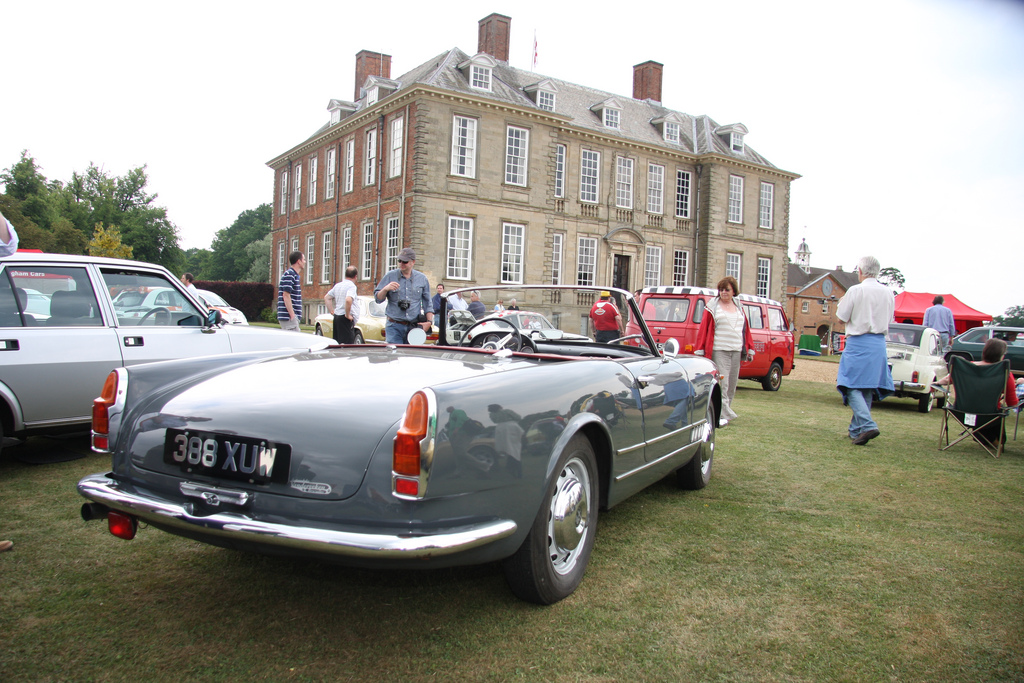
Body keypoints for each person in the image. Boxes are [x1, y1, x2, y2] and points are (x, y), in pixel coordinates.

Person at [835, 256, 895, 445]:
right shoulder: (888, 292)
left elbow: (841, 317)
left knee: (850, 384)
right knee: (866, 387)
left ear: (860, 271)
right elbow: (890, 319)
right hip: (878, 343)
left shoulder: (855, 290)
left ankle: (867, 425)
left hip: (858, 341)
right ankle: (856, 431)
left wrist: (841, 303)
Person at [694, 277, 755, 427]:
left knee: (732, 384)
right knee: (724, 383)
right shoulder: (712, 307)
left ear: (734, 290)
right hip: (719, 349)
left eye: (727, 289)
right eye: (721, 290)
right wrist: (700, 349)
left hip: (736, 350)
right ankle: (723, 415)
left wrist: (749, 348)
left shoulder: (739, 307)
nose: (723, 292)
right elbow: (704, 328)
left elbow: (745, 329)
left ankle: (723, 412)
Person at [374, 247, 433, 344]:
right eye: (399, 261)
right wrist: (385, 289)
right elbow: (378, 299)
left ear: (413, 262)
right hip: (394, 326)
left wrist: (429, 322)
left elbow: (428, 303)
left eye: (405, 262)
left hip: (413, 327)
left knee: (412, 353)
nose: (401, 263)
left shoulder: (422, 278)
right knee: (395, 353)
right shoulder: (390, 276)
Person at [325, 265, 359, 344]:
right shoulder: (351, 286)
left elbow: (327, 297)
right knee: (347, 345)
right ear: (355, 276)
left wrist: (332, 311)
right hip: (345, 318)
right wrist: (347, 315)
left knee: (338, 343)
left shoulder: (338, 285)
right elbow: (348, 300)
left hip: (337, 317)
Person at [276, 251, 305, 331]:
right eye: (303, 260)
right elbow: (286, 295)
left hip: (290, 317)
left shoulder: (293, 275)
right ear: (299, 261)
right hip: (288, 317)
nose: (305, 262)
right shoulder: (290, 274)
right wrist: (292, 315)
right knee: (294, 338)